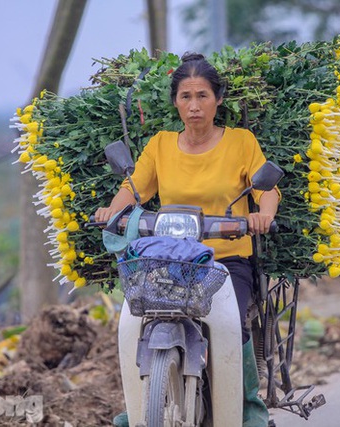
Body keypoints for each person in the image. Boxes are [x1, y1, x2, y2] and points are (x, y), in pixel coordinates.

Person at [95, 52, 280, 427]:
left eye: (202, 96)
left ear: (218, 99)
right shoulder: (161, 145)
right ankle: (137, 407)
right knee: (132, 322)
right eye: (185, 97)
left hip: (226, 259)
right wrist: (111, 214)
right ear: (175, 101)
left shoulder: (241, 142)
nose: (194, 106)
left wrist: (263, 215)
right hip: (169, 260)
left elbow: (267, 189)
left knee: (231, 325)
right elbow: (133, 189)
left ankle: (248, 411)